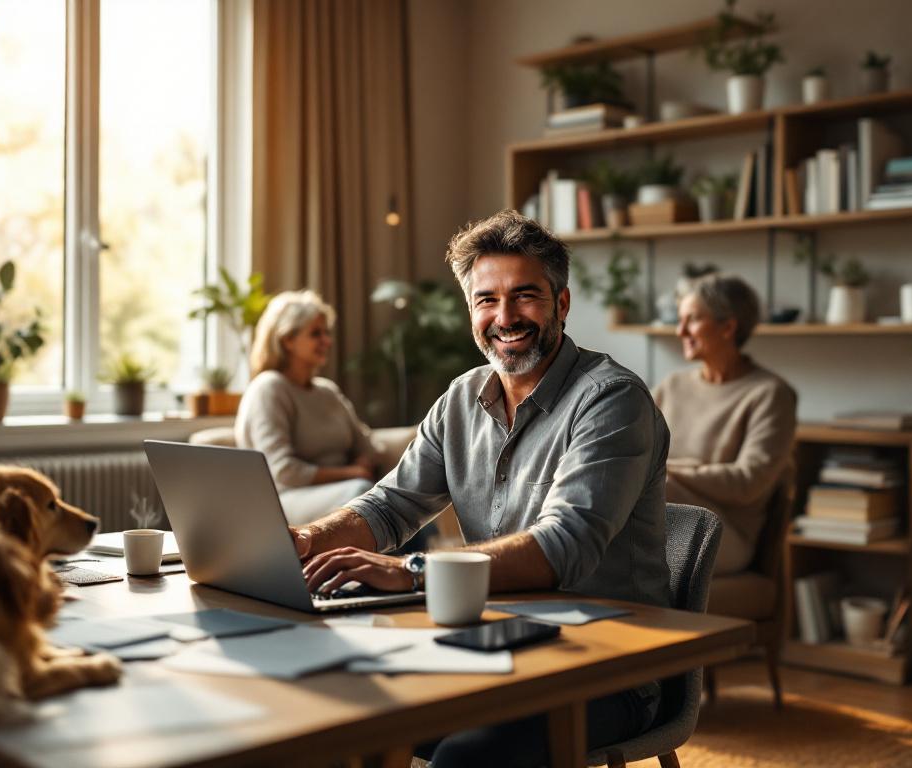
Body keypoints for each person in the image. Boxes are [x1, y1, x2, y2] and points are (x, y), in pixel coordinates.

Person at [291, 210, 670, 766]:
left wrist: (411, 570)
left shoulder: (612, 400)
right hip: (490, 640)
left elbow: (566, 543)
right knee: (336, 712)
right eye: (486, 300)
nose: (505, 317)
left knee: (467, 755)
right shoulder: (461, 398)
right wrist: (305, 539)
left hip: (609, 664)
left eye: (525, 296)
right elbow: (391, 504)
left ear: (562, 304)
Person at [653, 274, 797, 575]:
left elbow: (747, 482)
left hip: (725, 533)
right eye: (680, 320)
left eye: (692, 320)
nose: (680, 331)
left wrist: (670, 470)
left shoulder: (771, 394)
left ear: (728, 327)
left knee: (653, 485)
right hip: (660, 519)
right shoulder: (671, 387)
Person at [235, 290, 380, 526]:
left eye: (326, 333)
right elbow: (283, 470)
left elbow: (366, 444)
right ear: (287, 340)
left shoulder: (327, 391)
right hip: (285, 498)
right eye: (315, 333)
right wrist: (349, 473)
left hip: (344, 489)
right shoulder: (269, 388)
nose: (327, 341)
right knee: (363, 494)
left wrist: (365, 459)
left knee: (393, 496)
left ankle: (430, 549)